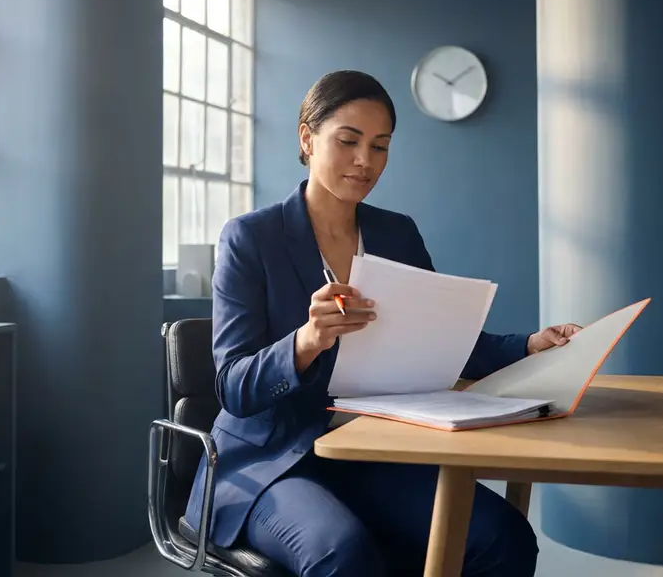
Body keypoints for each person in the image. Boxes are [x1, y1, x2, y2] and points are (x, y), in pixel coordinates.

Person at [183, 70, 581, 576]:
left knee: (501, 537)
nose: (364, 161)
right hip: (273, 464)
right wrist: (307, 340)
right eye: (348, 141)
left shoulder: (397, 234)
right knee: (342, 552)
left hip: (371, 453)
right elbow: (233, 389)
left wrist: (530, 345)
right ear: (307, 138)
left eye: (380, 147)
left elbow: (447, 344)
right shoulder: (250, 238)